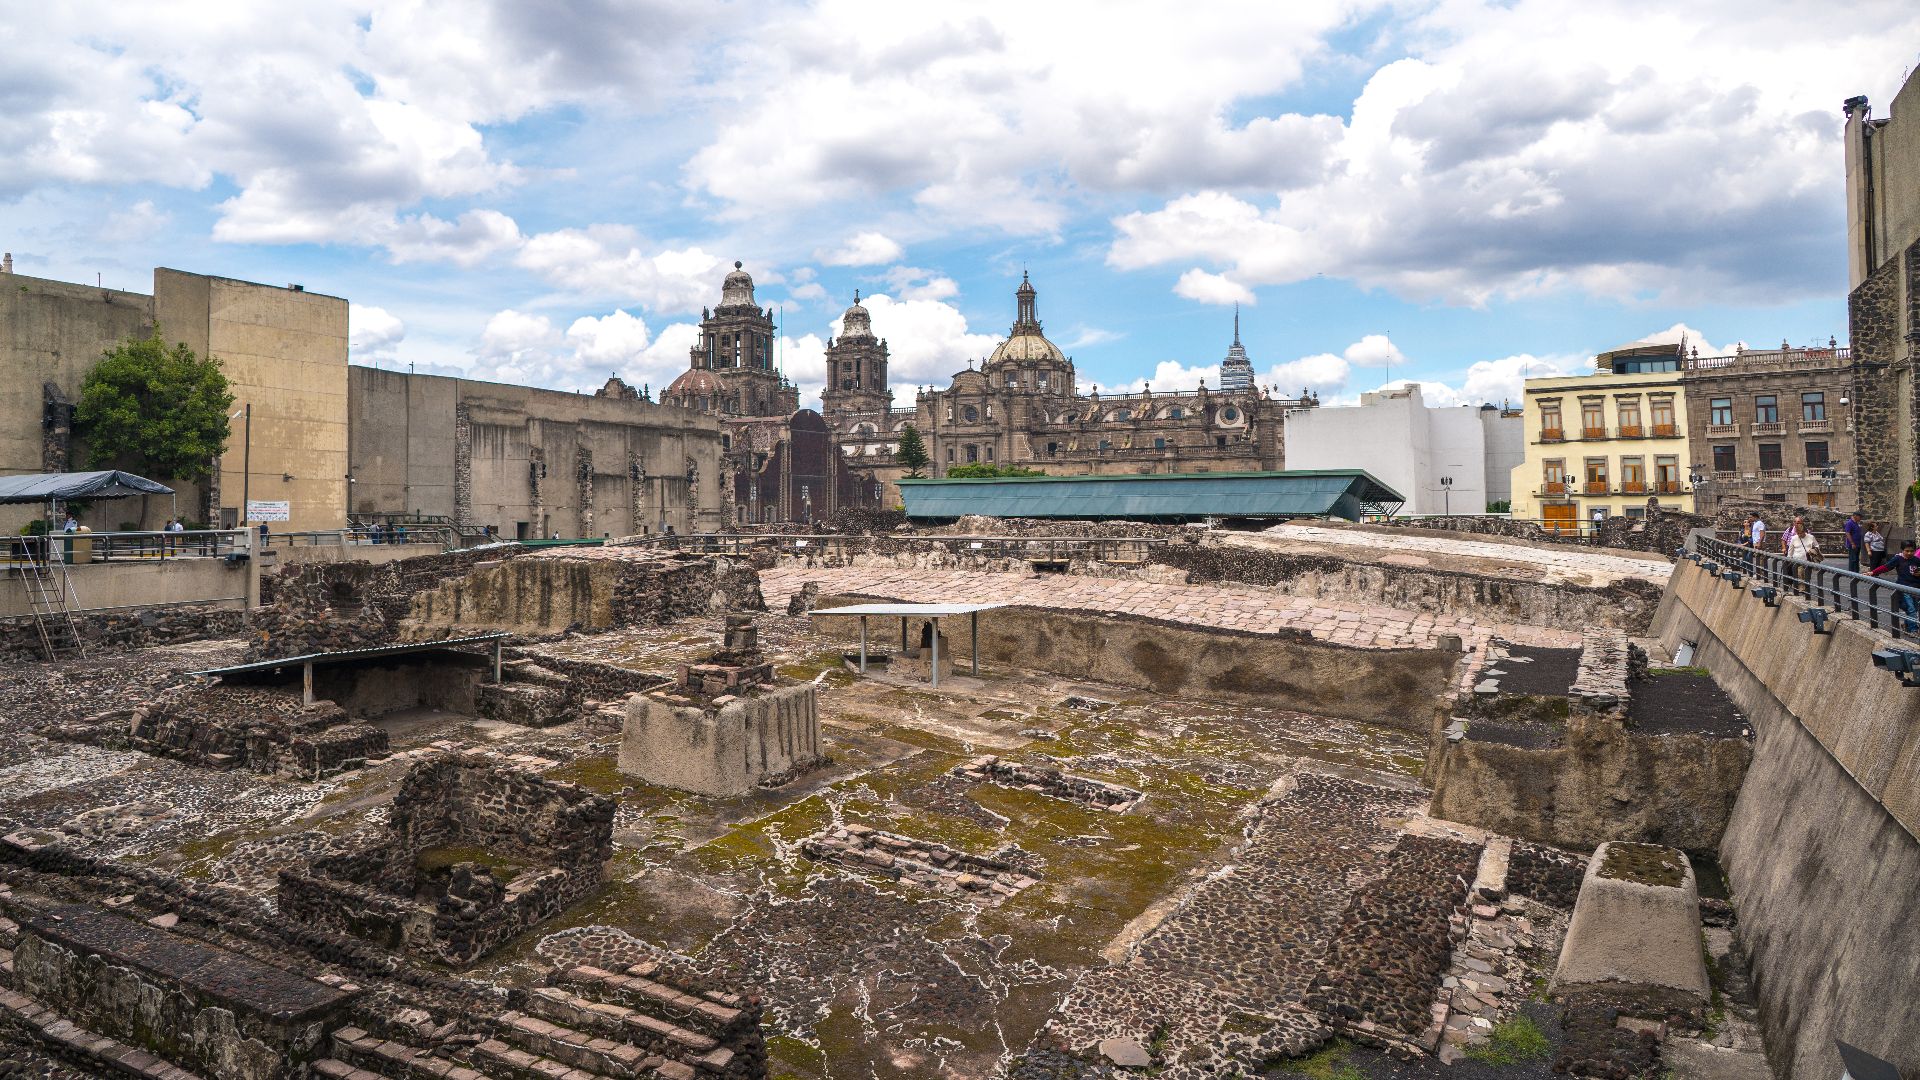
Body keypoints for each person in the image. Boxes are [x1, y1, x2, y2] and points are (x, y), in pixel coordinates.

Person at [1869, 540, 1920, 634]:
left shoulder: (1917, 560)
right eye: (1907, 551)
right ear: (1902, 550)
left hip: (1916, 589)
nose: (1909, 553)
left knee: (1914, 609)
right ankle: (1913, 630)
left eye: (1911, 551)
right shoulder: (1898, 559)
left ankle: (1907, 625)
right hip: (1904, 588)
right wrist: (1873, 572)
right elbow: (1886, 567)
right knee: (1911, 609)